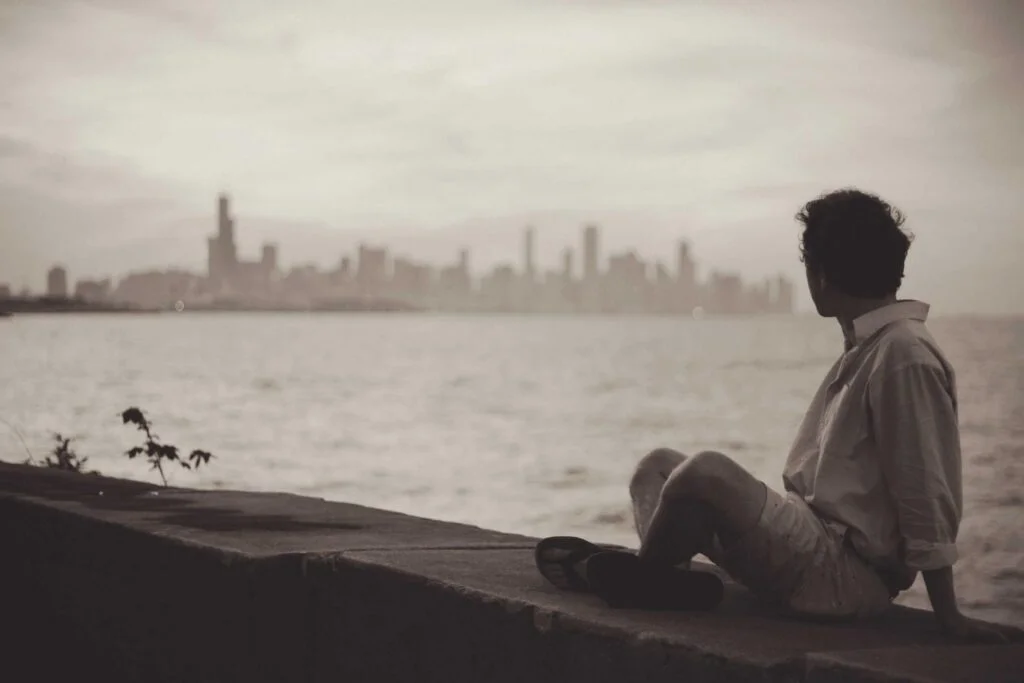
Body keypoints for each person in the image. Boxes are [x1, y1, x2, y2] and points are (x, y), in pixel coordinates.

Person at [537, 188, 1021, 642]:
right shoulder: (870, 344)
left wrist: (948, 615)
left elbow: (924, 488)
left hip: (845, 578)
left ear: (823, 274)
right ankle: (661, 580)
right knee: (658, 467)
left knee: (705, 470)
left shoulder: (902, 353)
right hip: (810, 545)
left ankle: (643, 578)